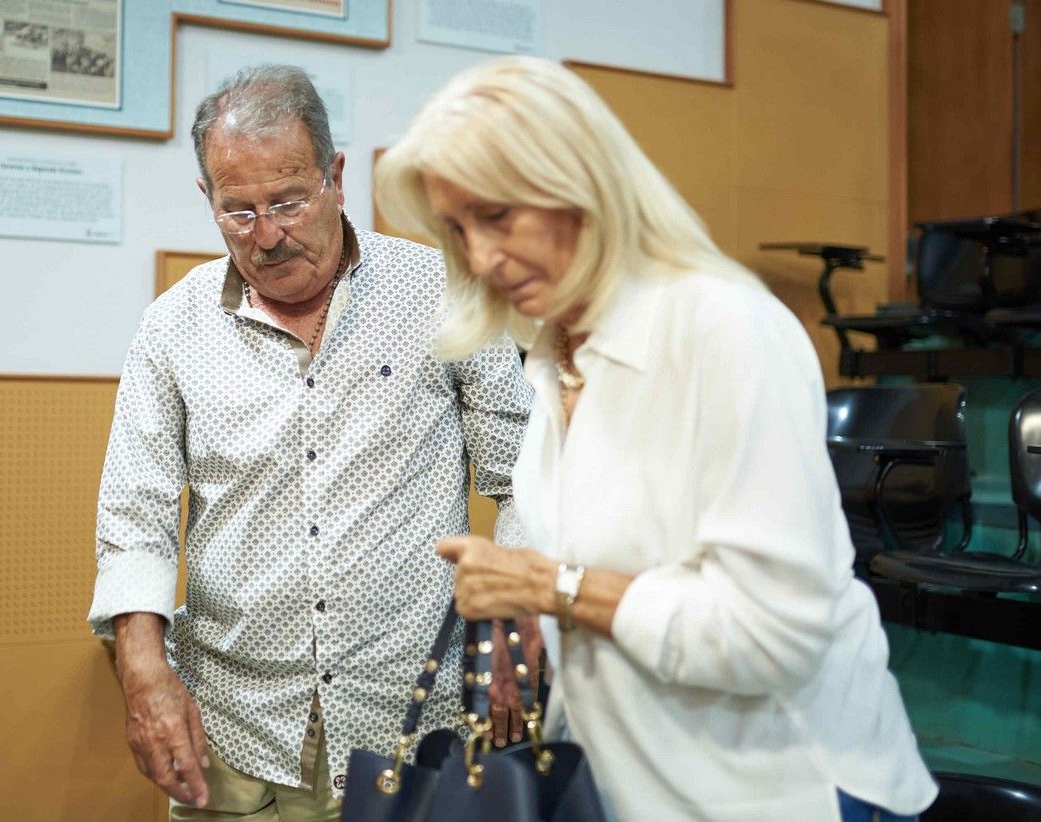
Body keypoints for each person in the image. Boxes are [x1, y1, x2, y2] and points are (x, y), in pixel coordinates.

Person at [375, 55, 938, 822]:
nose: (477, 257)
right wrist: (537, 624)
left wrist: (551, 588)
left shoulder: (723, 331)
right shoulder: (555, 358)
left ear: (581, 185)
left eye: (498, 216)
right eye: (457, 229)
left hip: (786, 793)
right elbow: (623, 561)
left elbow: (773, 634)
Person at [86, 64, 532, 821]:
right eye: (237, 211)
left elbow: (524, 475)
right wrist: (143, 672)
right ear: (207, 198)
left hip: (408, 725)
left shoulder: (443, 292)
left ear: (335, 176)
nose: (265, 236)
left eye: (287, 202)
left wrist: (513, 624)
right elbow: (136, 517)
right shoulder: (172, 326)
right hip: (232, 728)